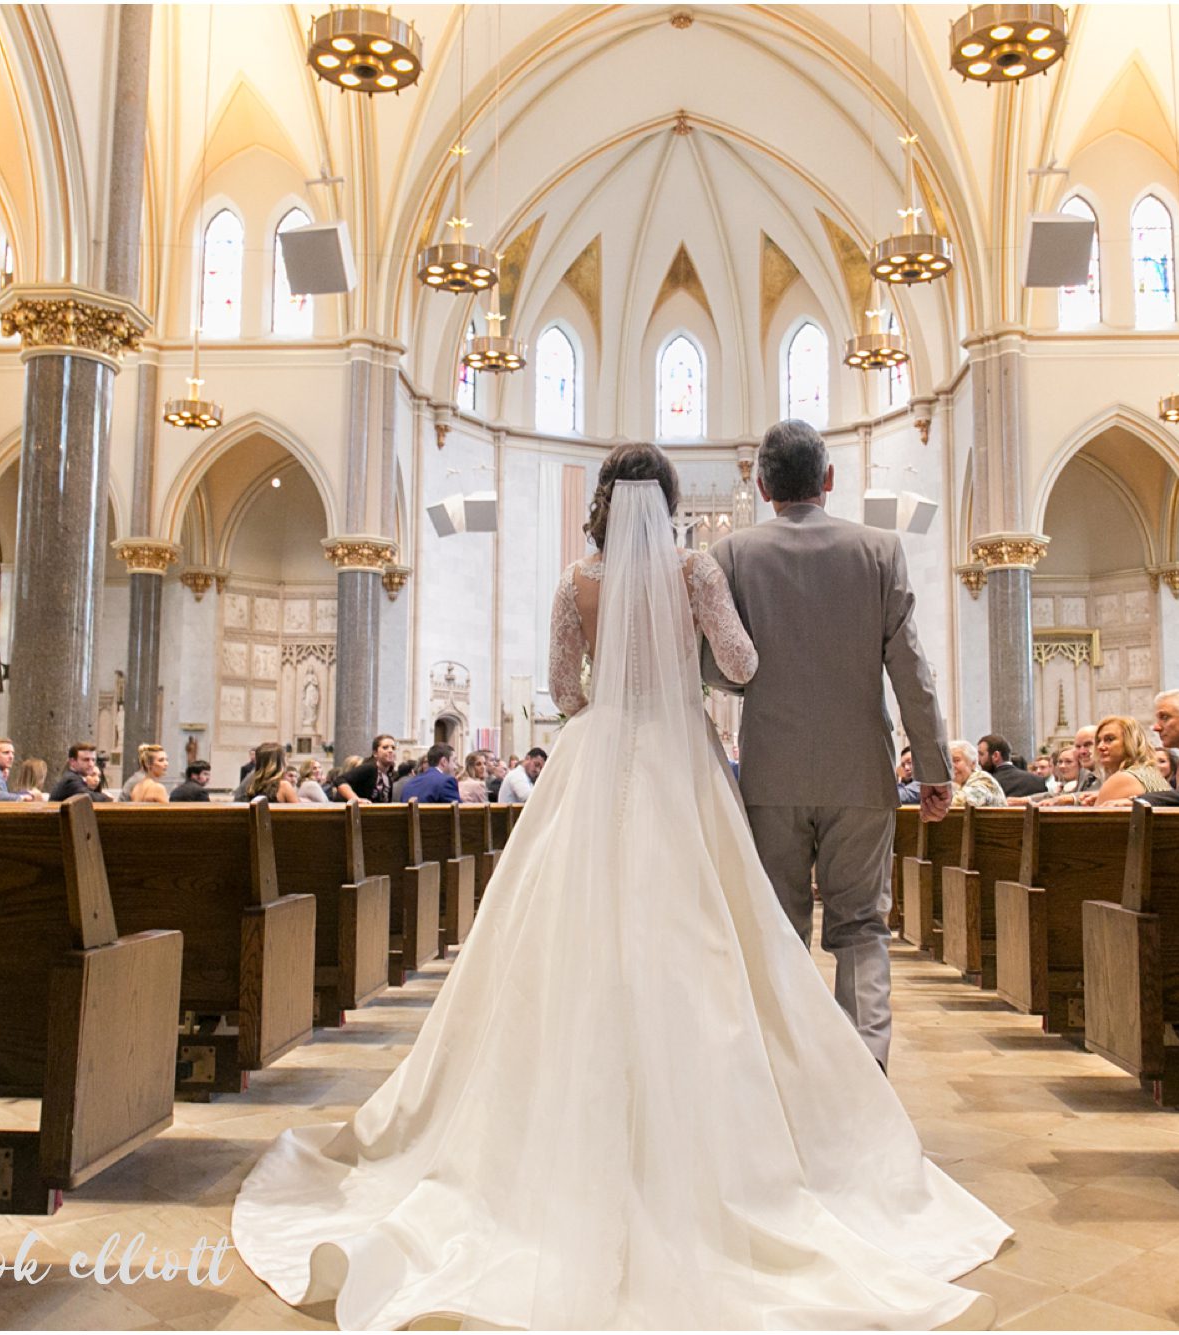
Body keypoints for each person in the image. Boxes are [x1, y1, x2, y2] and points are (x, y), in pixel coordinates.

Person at [234, 444, 1008, 1329]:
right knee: (734, 936)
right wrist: (686, 670)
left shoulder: (576, 583)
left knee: (582, 932)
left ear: (603, 501)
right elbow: (745, 665)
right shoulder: (697, 568)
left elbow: (566, 689)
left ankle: (571, 1115)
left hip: (599, 760)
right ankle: (816, 1095)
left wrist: (619, 681)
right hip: (689, 757)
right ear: (675, 502)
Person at [703, 422, 956, 1065]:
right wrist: (933, 766)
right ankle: (866, 1069)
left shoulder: (733, 554)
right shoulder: (877, 550)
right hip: (861, 776)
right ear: (829, 480)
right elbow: (911, 669)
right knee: (862, 927)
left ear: (762, 487)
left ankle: (790, 1069)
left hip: (771, 776)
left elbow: (715, 667)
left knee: (781, 928)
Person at [1082, 715, 1171, 805]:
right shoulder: (1150, 772)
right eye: (1098, 741)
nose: (1100, 747)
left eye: (1109, 739)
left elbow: (1095, 818)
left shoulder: (1122, 779)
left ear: (1130, 742)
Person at [979, 733, 1047, 798]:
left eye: (981, 754)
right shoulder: (1038, 781)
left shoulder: (985, 784)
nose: (978, 760)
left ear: (996, 756)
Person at [333, 735, 397, 803]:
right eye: (385, 748)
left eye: (393, 748)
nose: (390, 751)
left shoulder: (389, 774)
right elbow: (340, 780)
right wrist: (356, 799)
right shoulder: (370, 768)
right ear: (375, 753)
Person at [948, 739, 1007, 808]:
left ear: (973, 763)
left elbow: (962, 802)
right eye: (948, 762)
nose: (951, 766)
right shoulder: (958, 785)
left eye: (956, 760)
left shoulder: (984, 779)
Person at [235, 742, 300, 804]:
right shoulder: (284, 786)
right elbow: (300, 813)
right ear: (280, 763)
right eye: (285, 759)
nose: (287, 763)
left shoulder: (250, 785)